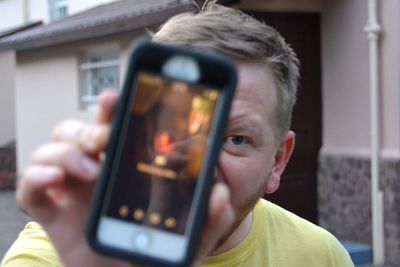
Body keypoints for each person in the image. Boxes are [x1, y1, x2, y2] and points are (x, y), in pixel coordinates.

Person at [2, 2, 355, 267]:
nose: (201, 167)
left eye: (236, 139)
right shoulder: (58, 250)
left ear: (278, 161)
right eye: (177, 129)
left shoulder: (321, 256)